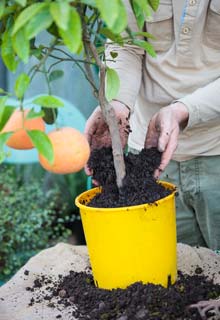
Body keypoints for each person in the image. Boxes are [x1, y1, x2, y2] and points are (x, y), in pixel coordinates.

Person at [85, 0, 220, 251]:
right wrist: (118, 103)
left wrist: (183, 110)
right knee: (163, 270)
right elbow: (126, 45)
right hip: (148, 149)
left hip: (216, 149)